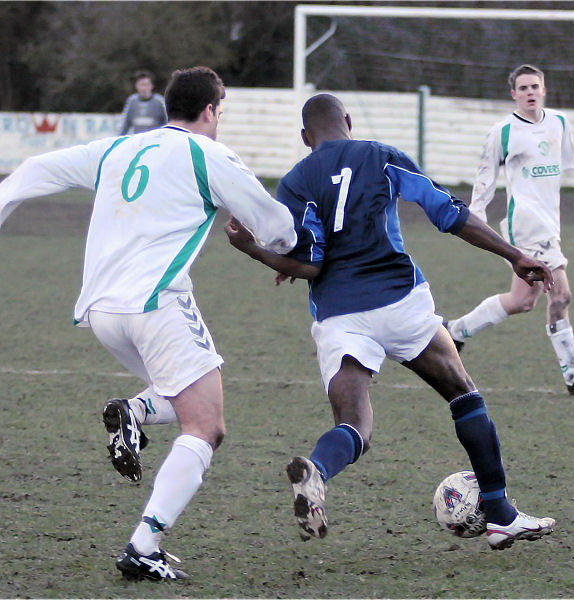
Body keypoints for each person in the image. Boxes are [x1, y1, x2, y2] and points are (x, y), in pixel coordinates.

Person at [0, 66, 297, 582]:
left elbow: (38, 166)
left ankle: (132, 411)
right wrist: (287, 253)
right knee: (207, 425)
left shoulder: (116, 149)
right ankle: (144, 546)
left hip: (103, 312)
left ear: (167, 105)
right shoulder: (210, 155)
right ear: (212, 110)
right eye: (221, 110)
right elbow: (278, 228)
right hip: (156, 304)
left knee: (189, 396)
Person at [225, 93, 556, 550]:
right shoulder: (380, 156)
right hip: (400, 300)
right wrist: (514, 254)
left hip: (339, 314)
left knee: (354, 424)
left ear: (306, 138)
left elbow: (310, 264)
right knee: (463, 395)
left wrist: (254, 252)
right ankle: (500, 513)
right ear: (349, 121)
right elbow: (448, 213)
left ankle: (318, 471)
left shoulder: (296, 181)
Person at [446, 64, 574, 396]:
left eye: (535, 86)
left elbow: (573, 162)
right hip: (525, 225)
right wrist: (475, 218)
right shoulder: (503, 131)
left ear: (544, 90)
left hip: (550, 223)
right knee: (561, 295)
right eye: (523, 88)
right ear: (514, 94)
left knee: (522, 301)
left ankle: (455, 331)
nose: (530, 92)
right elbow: (485, 176)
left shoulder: (559, 123)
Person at [117, 69, 168, 135]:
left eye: (146, 84)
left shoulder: (159, 101)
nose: (144, 88)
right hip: (137, 141)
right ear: (136, 86)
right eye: (141, 85)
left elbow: (167, 122)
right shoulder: (132, 101)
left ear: (152, 86)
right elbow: (124, 124)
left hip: (155, 141)